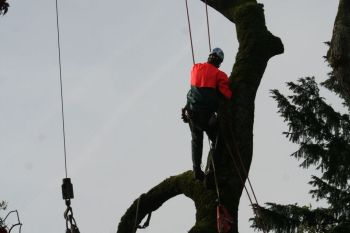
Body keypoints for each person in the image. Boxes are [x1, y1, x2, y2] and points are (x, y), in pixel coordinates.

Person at [182, 48, 232, 181]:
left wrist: (187, 106)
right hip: (207, 117)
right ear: (219, 62)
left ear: (209, 56)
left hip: (192, 114)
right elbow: (227, 94)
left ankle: (197, 170)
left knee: (196, 141)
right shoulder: (220, 74)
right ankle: (212, 171)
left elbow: (192, 90)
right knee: (218, 140)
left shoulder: (196, 67)